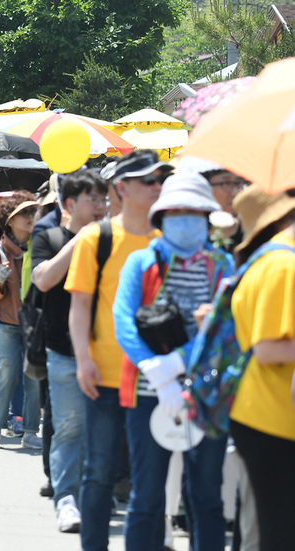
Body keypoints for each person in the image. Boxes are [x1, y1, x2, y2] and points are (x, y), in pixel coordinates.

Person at [111, 171, 233, 551]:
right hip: (149, 393)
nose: (185, 219)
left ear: (207, 218)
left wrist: (177, 363)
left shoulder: (222, 266)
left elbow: (227, 330)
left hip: (207, 393)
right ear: (161, 218)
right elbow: (123, 318)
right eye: (177, 212)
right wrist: (155, 371)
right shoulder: (141, 261)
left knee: (206, 497)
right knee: (146, 496)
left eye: (194, 212)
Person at [64, 151, 172, 551]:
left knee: (151, 475)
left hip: (155, 376)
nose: (157, 187)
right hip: (105, 375)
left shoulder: (168, 241)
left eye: (160, 180)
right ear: (123, 188)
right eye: (148, 181)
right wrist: (83, 360)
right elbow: (80, 306)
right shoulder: (98, 237)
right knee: (99, 472)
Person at [31, 170, 109, 533]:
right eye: (92, 200)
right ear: (69, 204)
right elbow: (43, 279)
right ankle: (67, 498)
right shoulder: (50, 236)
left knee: (105, 429)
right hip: (62, 348)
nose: (100, 206)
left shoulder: (113, 238)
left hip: (109, 350)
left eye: (102, 199)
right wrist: (81, 241)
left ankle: (95, 490)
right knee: (69, 426)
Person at [227, 186, 295, 551]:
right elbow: (268, 350)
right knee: (277, 537)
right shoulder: (284, 266)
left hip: (267, 417)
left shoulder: (271, 261)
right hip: (272, 421)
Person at [0, 191, 42, 450]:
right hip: (5, 323)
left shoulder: (41, 246)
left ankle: (30, 432)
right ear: (9, 221)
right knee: (4, 374)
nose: (31, 218)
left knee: (34, 378)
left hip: (34, 324)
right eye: (24, 214)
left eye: (32, 212)